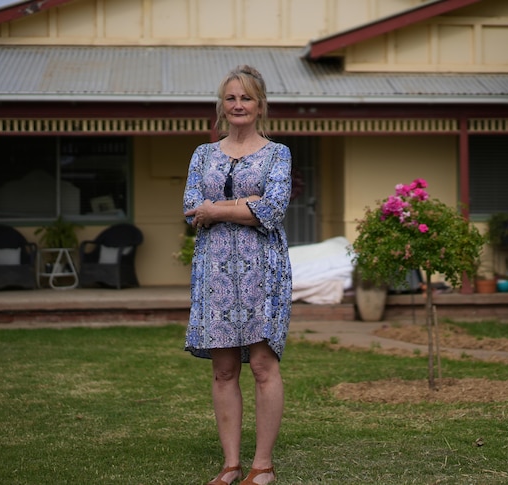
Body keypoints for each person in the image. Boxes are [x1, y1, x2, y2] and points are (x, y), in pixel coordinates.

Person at [183, 65, 292, 485]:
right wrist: (245, 204)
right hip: (214, 273)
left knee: (263, 365)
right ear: (222, 106)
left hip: (263, 271)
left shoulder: (278, 153)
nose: (238, 104)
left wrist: (217, 209)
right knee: (223, 368)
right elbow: (191, 209)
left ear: (260, 104)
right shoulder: (202, 155)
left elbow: (274, 208)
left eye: (246, 97)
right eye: (231, 98)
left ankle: (262, 466)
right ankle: (231, 465)